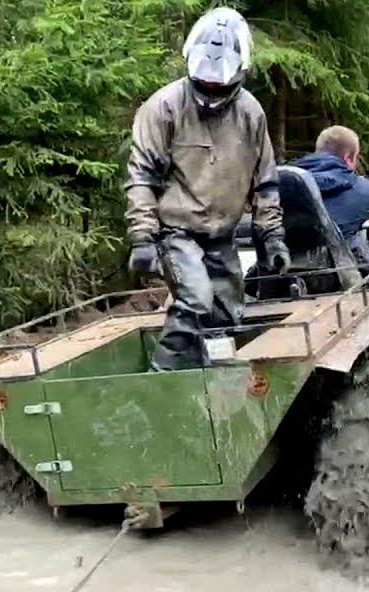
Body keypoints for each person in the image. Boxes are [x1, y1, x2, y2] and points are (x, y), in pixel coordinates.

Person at [124, 7, 288, 371]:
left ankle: (207, 384)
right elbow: (141, 176)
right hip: (176, 230)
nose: (211, 92)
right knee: (196, 299)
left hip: (222, 233)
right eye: (205, 84)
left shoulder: (251, 114)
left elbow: (265, 180)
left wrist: (272, 236)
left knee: (229, 314)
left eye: (220, 86)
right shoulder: (164, 107)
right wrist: (142, 238)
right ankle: (159, 379)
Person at [291, 125, 369, 273]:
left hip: (286, 273)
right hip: (336, 275)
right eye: (356, 158)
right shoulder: (368, 190)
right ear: (348, 158)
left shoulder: (284, 181)